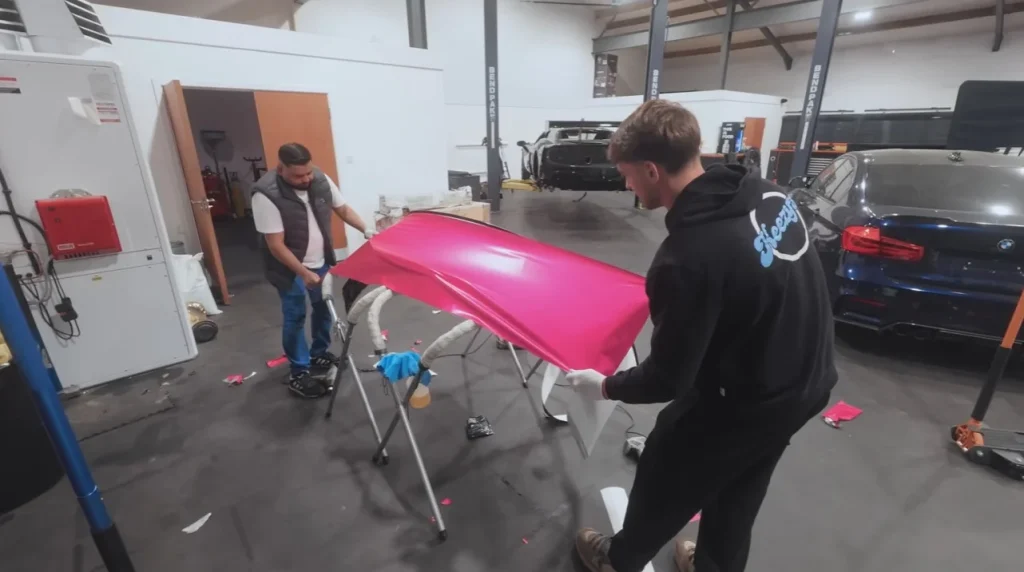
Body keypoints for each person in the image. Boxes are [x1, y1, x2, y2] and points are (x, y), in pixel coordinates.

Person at [567, 100, 837, 572]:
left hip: (748, 398)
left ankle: (620, 558)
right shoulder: (770, 196)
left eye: (628, 175)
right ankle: (714, 564)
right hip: (805, 381)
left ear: (651, 170)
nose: (626, 185)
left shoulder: (689, 256)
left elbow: (667, 379)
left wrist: (604, 385)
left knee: (667, 465)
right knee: (741, 479)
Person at [252, 143, 374, 398]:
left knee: (323, 308)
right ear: (281, 168)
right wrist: (303, 272)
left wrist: (366, 229)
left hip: (321, 260)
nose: (306, 179)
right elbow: (275, 245)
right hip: (288, 267)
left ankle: (319, 353)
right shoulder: (265, 194)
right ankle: (299, 372)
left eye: (308, 172)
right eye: (298, 175)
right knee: (295, 315)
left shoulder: (319, 179)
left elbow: (343, 209)